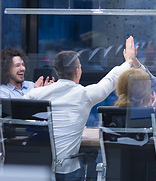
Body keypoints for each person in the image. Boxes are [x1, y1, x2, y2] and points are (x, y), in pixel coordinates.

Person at [23, 36, 136, 181]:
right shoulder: (84, 95)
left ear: (57, 72)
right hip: (66, 171)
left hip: (36, 168)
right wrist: (129, 62)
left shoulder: (36, 93)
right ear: (77, 71)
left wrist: (36, 92)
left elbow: (16, 113)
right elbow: (110, 80)